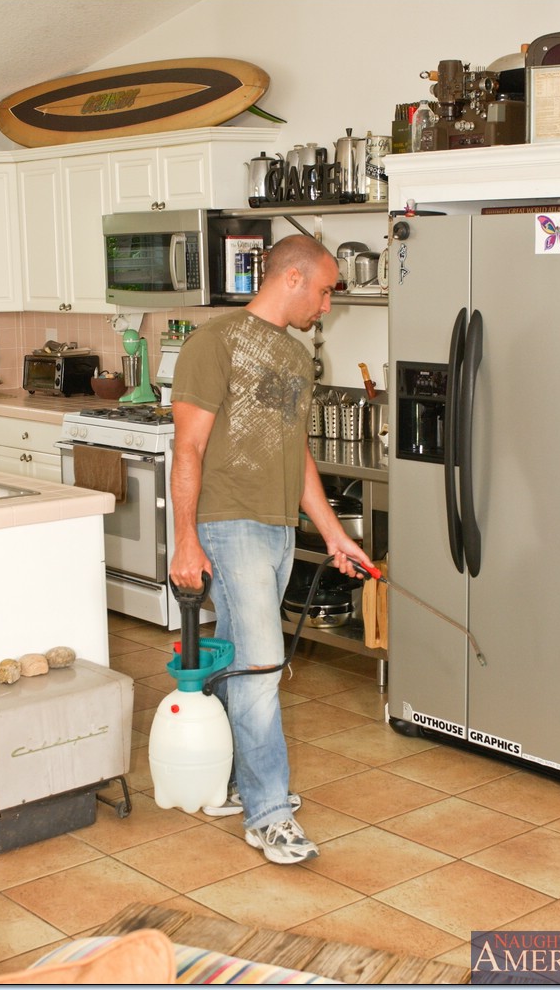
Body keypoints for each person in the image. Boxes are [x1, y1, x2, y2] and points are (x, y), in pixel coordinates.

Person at [169, 234, 372, 865]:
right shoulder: (215, 343)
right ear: (292, 278)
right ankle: (269, 813)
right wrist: (185, 538)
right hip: (230, 522)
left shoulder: (294, 355)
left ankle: (229, 779)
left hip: (277, 526)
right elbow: (187, 447)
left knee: (239, 660)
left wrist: (333, 532)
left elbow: (296, 452)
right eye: (325, 290)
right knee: (261, 665)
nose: (327, 305)